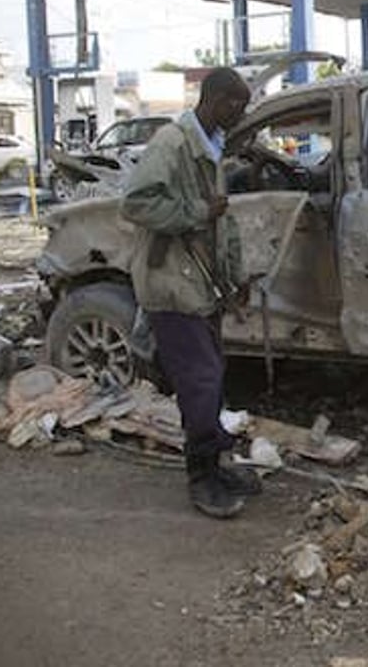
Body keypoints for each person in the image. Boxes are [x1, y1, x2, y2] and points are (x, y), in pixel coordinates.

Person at [119, 68, 258, 519]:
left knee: (210, 378)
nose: (241, 115)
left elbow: (222, 223)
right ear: (214, 98)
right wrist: (197, 210)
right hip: (172, 283)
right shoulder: (173, 143)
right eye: (236, 106)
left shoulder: (210, 144)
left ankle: (214, 462)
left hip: (199, 282)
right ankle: (202, 476)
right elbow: (137, 203)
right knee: (200, 381)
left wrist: (235, 279)